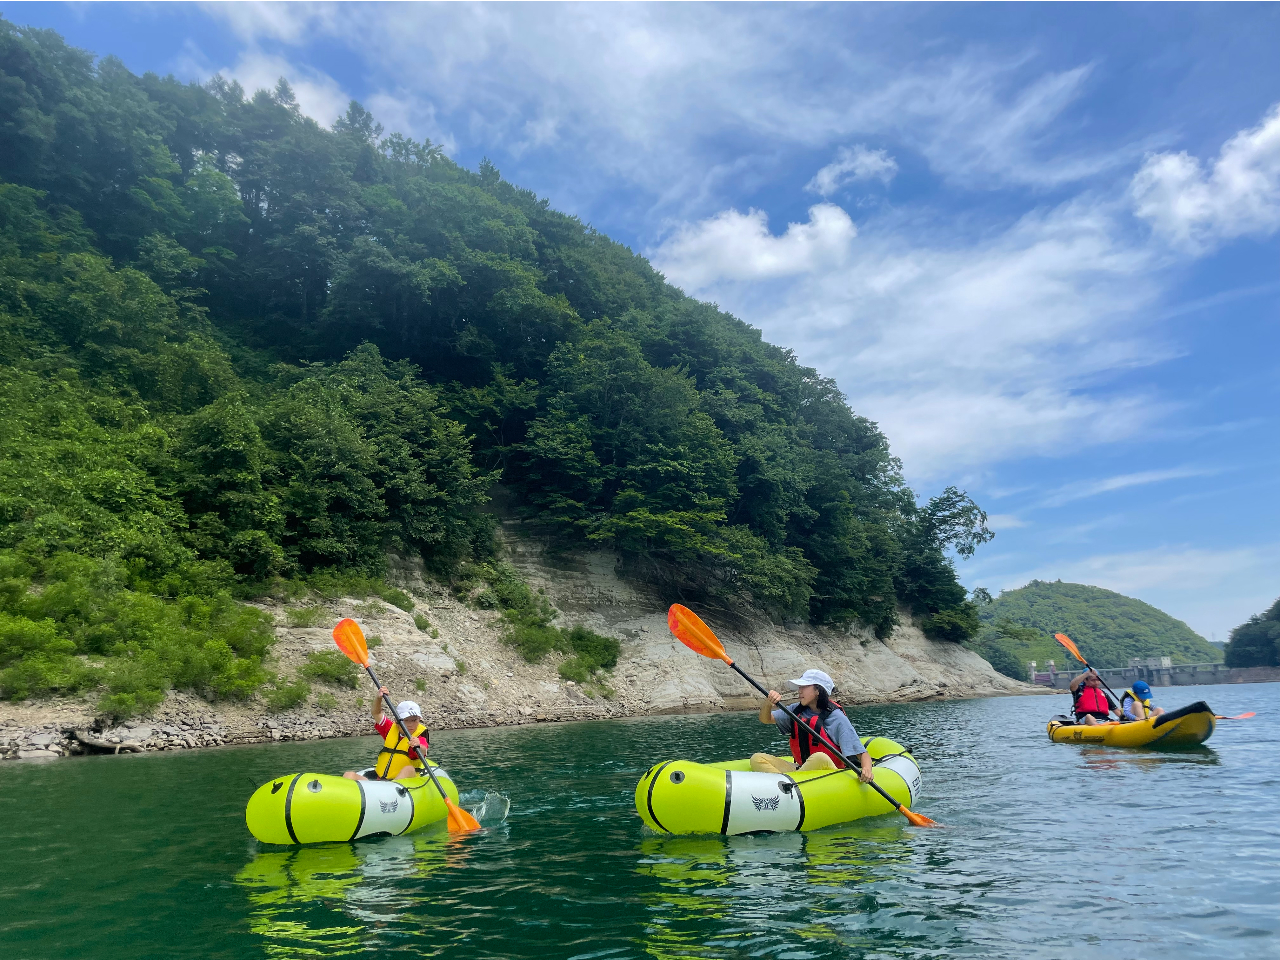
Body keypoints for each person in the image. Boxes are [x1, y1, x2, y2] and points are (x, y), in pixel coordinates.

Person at [751, 669, 874, 783]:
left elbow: (862, 754)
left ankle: (789, 784)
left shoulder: (837, 718)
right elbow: (766, 719)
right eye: (800, 687)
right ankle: (786, 784)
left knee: (819, 757)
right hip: (803, 770)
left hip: (830, 774)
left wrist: (867, 770)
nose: (799, 690)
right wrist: (768, 703)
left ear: (818, 691)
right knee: (757, 758)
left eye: (804, 686)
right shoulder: (796, 710)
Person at [343, 687, 430, 781]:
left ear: (419, 719)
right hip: (381, 780)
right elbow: (376, 713)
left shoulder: (419, 736)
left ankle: (391, 790)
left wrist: (418, 746)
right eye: (406, 720)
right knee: (349, 775)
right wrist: (378, 698)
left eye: (414, 720)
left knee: (408, 769)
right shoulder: (390, 728)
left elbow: (423, 750)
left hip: (403, 783)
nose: (410, 724)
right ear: (397, 720)